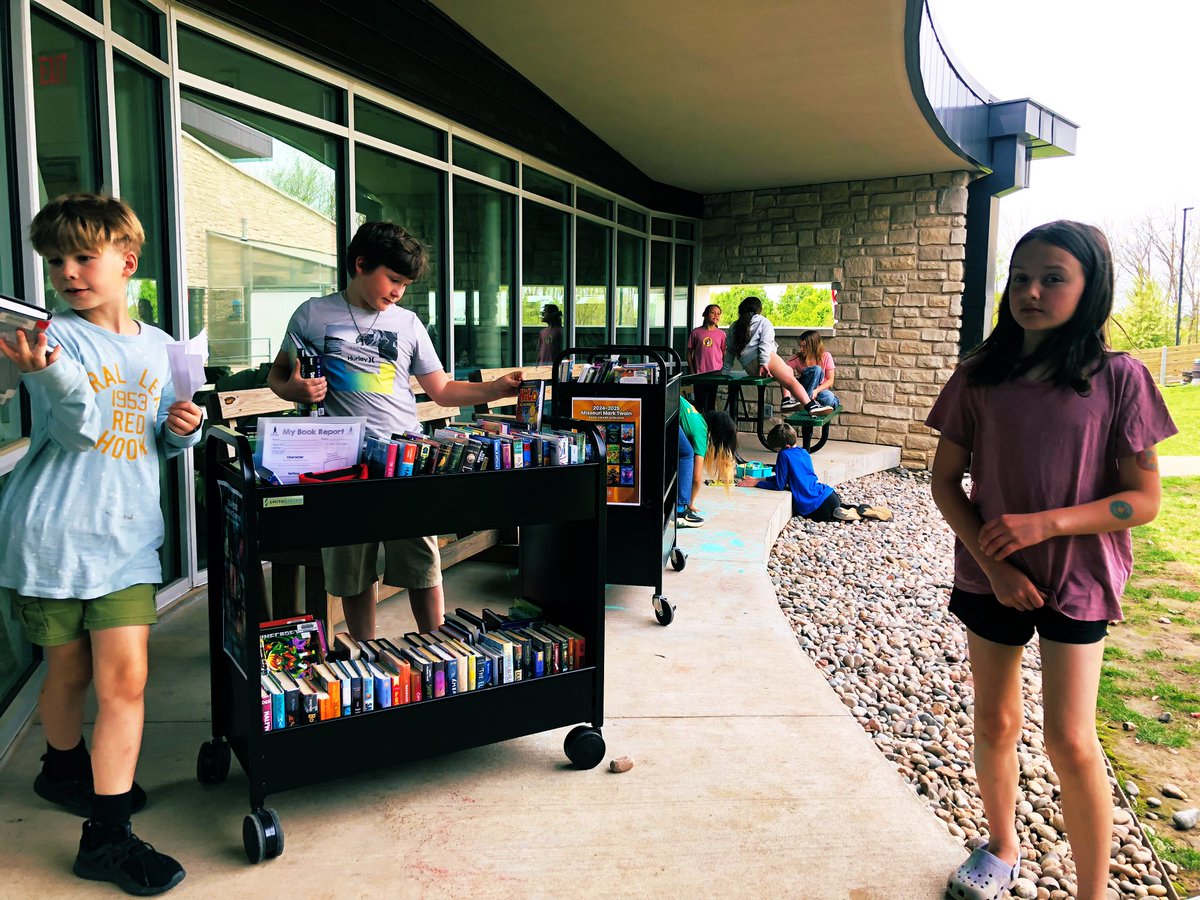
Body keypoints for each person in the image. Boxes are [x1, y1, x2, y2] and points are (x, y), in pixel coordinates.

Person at [927, 221, 1176, 900]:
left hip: (1081, 581)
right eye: (1021, 277)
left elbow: (1143, 499)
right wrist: (998, 565)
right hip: (990, 577)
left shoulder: (1120, 379)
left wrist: (1047, 524)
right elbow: (944, 481)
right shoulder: (979, 375)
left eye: (1054, 277)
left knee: (1070, 739)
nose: (1031, 291)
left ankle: (1092, 892)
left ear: (1090, 287)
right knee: (996, 721)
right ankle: (1001, 846)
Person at [0, 194, 202, 894]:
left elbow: (155, 443)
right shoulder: (50, 336)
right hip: (52, 533)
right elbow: (82, 427)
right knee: (68, 675)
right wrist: (41, 371)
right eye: (55, 259)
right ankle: (62, 770)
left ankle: (106, 837)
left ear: (127, 259)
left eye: (84, 256)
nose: (67, 271)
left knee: (127, 681)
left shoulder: (161, 345)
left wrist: (182, 430)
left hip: (125, 535)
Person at [269, 221, 521, 642]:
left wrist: (494, 388)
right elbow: (278, 376)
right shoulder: (312, 314)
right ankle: (367, 653)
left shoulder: (407, 324)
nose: (398, 292)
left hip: (405, 460)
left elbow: (440, 390)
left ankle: (437, 645)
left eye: (405, 284)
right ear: (361, 264)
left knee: (423, 561)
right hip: (342, 464)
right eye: (393, 279)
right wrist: (296, 387)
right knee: (352, 567)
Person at [725, 296, 833, 416]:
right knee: (790, 378)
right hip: (763, 360)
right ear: (759, 309)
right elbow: (765, 344)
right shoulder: (762, 321)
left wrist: (725, 370)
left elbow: (729, 351)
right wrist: (763, 363)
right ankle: (810, 406)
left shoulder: (733, 327)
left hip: (749, 368)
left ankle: (786, 400)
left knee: (786, 370)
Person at [736, 423, 860, 521]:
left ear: (786, 447)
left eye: (777, 450)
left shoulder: (784, 455)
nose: (777, 452)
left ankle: (837, 513)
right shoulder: (803, 452)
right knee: (837, 509)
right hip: (829, 495)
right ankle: (850, 509)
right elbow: (792, 477)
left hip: (817, 506)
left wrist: (757, 483)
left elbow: (779, 485)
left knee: (800, 510)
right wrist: (762, 479)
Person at [781, 329, 839, 412]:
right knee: (816, 369)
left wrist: (816, 391)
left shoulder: (826, 356)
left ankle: (814, 403)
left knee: (829, 397)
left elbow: (830, 380)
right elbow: (784, 373)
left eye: (804, 346)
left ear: (813, 346)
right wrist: (786, 398)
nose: (801, 349)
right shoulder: (797, 358)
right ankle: (808, 403)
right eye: (800, 346)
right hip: (803, 391)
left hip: (819, 391)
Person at [686, 303, 726, 412]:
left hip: (715, 373)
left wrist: (725, 369)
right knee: (699, 402)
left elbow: (725, 353)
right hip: (699, 373)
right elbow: (689, 352)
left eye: (718, 314)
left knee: (711, 401)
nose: (716, 315)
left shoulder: (721, 334)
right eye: (712, 312)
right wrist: (691, 369)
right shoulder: (696, 332)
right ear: (705, 314)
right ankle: (700, 427)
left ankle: (710, 426)